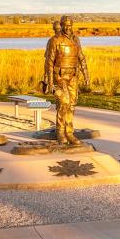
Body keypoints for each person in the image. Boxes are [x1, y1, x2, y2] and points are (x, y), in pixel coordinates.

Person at [43, 15, 89, 145]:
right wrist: (50, 82)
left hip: (73, 76)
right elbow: (49, 62)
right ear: (61, 25)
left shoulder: (76, 40)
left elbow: (81, 57)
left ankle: (69, 133)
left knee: (72, 104)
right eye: (65, 25)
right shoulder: (55, 40)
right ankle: (60, 132)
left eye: (70, 25)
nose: (68, 28)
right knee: (64, 103)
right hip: (60, 77)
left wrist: (86, 74)